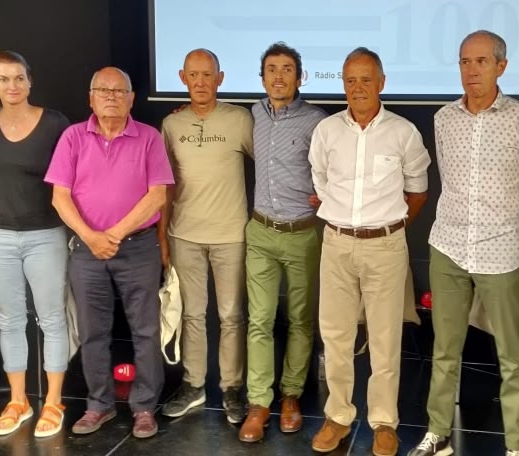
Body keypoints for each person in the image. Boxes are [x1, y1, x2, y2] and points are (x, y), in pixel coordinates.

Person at [407, 30, 519, 456]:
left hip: (503, 252)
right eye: (465, 61)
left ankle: (517, 446)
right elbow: (448, 178)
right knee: (445, 350)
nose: (471, 70)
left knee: (513, 357)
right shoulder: (444, 118)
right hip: (448, 246)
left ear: (501, 66)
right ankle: (438, 434)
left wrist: (504, 221)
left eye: (481, 62)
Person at [309, 47, 431, 456]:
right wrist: (345, 218)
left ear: (382, 83)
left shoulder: (403, 132)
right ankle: (338, 417)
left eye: (366, 79)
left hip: (386, 246)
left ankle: (383, 421)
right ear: (342, 84)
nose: (357, 87)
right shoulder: (327, 131)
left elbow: (417, 190)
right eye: (350, 80)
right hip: (337, 243)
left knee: (384, 338)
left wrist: (389, 227)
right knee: (336, 336)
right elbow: (321, 181)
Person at [44, 67, 174, 439]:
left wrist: (112, 234)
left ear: (132, 98)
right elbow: (60, 196)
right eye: (103, 90)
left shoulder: (148, 138)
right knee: (92, 332)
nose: (111, 96)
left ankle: (145, 407)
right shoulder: (72, 138)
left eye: (120, 91)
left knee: (146, 331)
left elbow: (157, 195)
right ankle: (98, 405)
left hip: (137, 248)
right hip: (87, 250)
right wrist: (91, 236)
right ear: (90, 98)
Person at [0, 50, 72, 438]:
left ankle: (53, 401)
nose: (12, 86)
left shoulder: (55, 123)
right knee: (10, 320)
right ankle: (19, 401)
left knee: (51, 319)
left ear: (30, 81)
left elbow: (71, 178)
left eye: (19, 78)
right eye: (4, 79)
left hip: (45, 234)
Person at [237, 42, 327, 443]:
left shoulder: (317, 121)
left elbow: (335, 169)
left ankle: (291, 396)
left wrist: (325, 195)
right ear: (262, 77)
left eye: (287, 69)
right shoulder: (253, 114)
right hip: (259, 233)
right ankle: (259, 403)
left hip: (302, 234)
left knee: (301, 320)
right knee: (258, 321)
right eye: (271, 69)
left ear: (299, 76)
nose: (278, 76)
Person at [159, 48, 254, 424]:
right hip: (185, 234)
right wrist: (163, 236)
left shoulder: (240, 119)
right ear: (183, 78)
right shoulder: (171, 125)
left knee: (232, 315)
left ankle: (232, 389)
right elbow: (163, 185)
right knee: (193, 315)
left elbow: (267, 164)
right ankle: (194, 384)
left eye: (207, 75)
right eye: (193, 75)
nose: (200, 82)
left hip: (231, 233)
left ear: (220, 78)